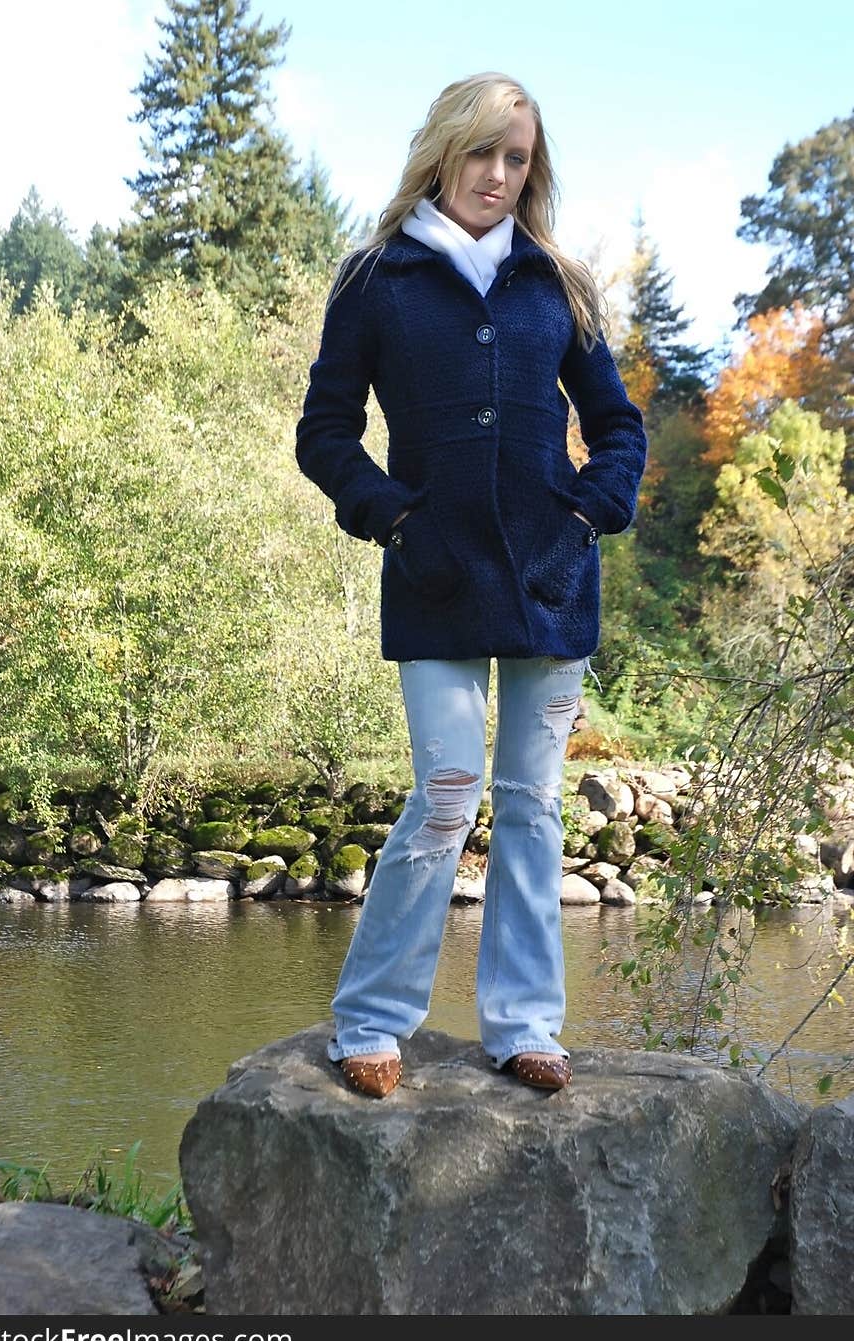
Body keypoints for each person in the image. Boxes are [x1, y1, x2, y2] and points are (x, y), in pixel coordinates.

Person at [295, 72, 647, 1098]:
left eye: (518, 157)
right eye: (484, 152)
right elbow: (326, 433)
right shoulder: (378, 278)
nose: (499, 174)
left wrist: (589, 512)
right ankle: (368, 1019)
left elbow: (619, 425)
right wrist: (396, 517)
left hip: (550, 576)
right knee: (448, 790)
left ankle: (525, 1024)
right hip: (434, 572)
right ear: (443, 150)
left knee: (534, 802)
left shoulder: (556, 283)